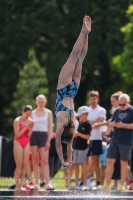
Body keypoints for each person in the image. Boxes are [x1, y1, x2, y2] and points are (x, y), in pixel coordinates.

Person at [55, 16, 92, 168]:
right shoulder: (61, 125)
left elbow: (68, 146)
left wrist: (67, 161)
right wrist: (63, 161)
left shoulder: (71, 126)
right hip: (63, 90)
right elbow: (59, 146)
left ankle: (87, 33)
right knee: (73, 57)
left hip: (73, 92)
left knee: (81, 58)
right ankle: (84, 32)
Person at [105, 93, 133, 191]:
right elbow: (110, 123)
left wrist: (123, 125)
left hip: (126, 141)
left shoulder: (132, 111)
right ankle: (107, 184)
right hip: (115, 139)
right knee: (109, 161)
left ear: (128, 102)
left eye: (123, 105)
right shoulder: (117, 111)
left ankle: (122, 184)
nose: (121, 106)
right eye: (119, 104)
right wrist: (113, 124)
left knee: (124, 162)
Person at [30, 94, 54, 190]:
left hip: (44, 136)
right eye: (39, 102)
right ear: (36, 102)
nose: (40, 103)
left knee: (44, 160)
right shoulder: (32, 113)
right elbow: (30, 127)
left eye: (42, 102)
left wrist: (48, 140)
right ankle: (36, 183)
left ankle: (48, 183)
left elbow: (50, 127)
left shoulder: (48, 112)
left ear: (45, 102)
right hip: (33, 136)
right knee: (35, 160)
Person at [87, 91, 106, 187]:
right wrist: (92, 123)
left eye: (94, 99)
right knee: (86, 162)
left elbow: (101, 120)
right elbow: (85, 122)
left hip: (97, 138)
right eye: (91, 99)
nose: (93, 101)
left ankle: (98, 181)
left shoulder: (101, 110)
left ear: (97, 99)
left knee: (96, 161)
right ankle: (87, 181)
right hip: (87, 138)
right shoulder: (87, 110)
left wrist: (90, 123)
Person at [13, 105, 33, 191]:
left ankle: (21, 185)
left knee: (25, 165)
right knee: (19, 165)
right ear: (23, 112)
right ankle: (17, 185)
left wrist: (31, 128)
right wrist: (26, 127)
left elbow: (28, 135)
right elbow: (18, 134)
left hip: (26, 142)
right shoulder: (17, 121)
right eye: (27, 114)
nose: (28, 116)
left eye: (29, 114)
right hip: (18, 142)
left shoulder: (30, 121)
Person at [73, 106, 92, 190]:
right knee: (76, 165)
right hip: (76, 146)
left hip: (83, 147)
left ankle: (85, 184)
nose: (79, 116)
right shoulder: (79, 123)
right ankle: (76, 184)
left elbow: (87, 137)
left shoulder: (88, 124)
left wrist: (78, 134)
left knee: (83, 165)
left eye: (80, 115)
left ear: (85, 114)